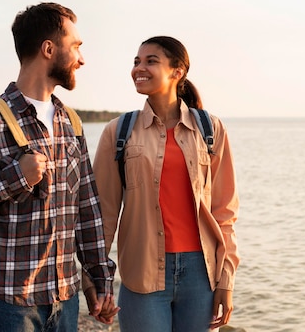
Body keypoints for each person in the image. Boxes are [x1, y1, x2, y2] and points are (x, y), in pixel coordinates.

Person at [0, 2, 119, 331]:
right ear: (48, 49)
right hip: (7, 301)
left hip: (64, 300)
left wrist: (100, 281)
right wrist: (15, 177)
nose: (82, 59)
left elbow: (87, 211)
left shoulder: (70, 122)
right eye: (76, 47)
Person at [84, 36, 240, 331]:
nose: (138, 68)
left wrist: (226, 280)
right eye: (136, 61)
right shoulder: (118, 132)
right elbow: (102, 214)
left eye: (150, 61)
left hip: (201, 275)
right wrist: (95, 277)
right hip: (142, 274)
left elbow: (225, 212)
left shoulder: (211, 129)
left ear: (177, 72)